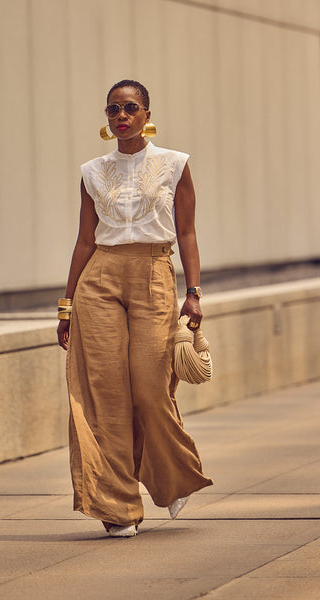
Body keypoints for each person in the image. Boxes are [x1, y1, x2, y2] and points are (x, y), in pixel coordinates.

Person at [57, 79, 213, 537]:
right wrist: (66, 306)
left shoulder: (174, 164)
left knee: (150, 389)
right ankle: (118, 507)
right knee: (104, 396)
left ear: (147, 113)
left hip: (153, 273)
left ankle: (170, 474)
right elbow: (85, 240)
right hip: (100, 279)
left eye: (130, 108)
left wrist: (195, 292)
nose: (120, 116)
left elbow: (186, 233)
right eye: (113, 109)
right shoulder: (92, 171)